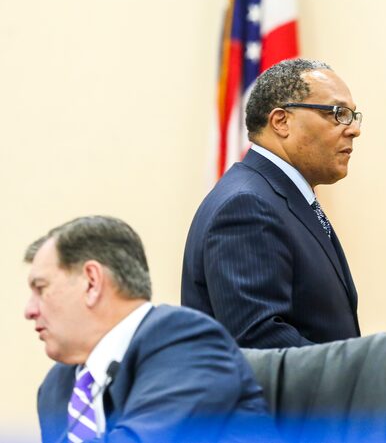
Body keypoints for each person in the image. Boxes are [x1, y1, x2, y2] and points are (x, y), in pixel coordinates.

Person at [25, 216, 273, 443]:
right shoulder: (57, 387)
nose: (29, 311)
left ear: (92, 282)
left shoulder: (186, 342)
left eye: (41, 288)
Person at [181, 58, 361, 348]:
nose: (353, 129)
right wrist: (362, 371)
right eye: (338, 113)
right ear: (281, 121)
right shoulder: (247, 206)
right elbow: (260, 341)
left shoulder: (279, 197)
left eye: (353, 116)